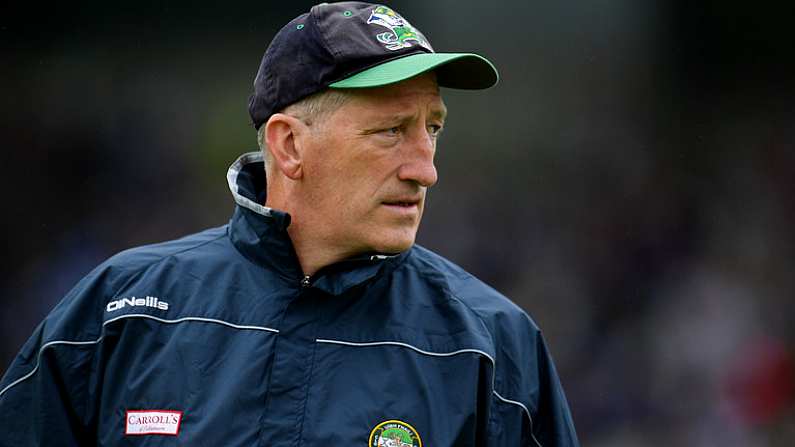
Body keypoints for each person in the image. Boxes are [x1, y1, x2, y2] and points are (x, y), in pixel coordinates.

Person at [0, 2, 579, 446]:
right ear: (289, 145)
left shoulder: (493, 347)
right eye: (390, 131)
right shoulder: (120, 313)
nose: (425, 170)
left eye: (433, 128)